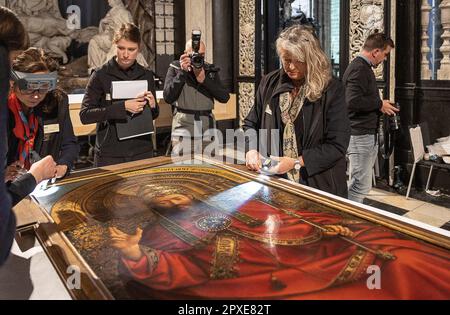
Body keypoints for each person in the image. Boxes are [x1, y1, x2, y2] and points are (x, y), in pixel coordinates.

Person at [109, 190, 450, 299]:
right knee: (397, 273)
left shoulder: (231, 202)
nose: (169, 196)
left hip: (321, 252)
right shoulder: (165, 234)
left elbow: (292, 219)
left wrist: (328, 230)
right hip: (273, 281)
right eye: (159, 198)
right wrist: (136, 253)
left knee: (406, 259)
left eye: (171, 190)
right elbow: (180, 269)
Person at [243, 25, 350, 198]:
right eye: (286, 59)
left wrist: (296, 162)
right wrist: (251, 149)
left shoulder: (332, 89)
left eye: (296, 60)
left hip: (319, 184)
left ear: (311, 58)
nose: (290, 66)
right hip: (276, 180)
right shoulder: (269, 83)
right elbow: (250, 123)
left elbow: (337, 146)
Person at [0, 6, 55, 265]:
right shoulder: (7, 112)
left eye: (42, 89)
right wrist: (35, 175)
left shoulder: (46, 106)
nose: (35, 96)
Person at [81, 23, 159, 167]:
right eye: (121, 48)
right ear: (114, 45)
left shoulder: (146, 75)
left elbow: (153, 115)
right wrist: (122, 107)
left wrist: (153, 106)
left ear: (139, 49)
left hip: (142, 151)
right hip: (110, 153)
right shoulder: (100, 75)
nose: (125, 54)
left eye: (131, 49)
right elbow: (85, 115)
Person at [6, 48, 79, 187]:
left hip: (43, 184)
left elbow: (69, 143)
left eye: (43, 88)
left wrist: (63, 166)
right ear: (12, 83)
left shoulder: (58, 101)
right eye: (28, 88)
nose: (36, 95)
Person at [343, 32, 398, 203]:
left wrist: (380, 103)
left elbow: (360, 98)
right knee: (359, 185)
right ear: (376, 52)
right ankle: (346, 220)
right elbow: (351, 101)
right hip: (359, 135)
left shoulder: (361, 67)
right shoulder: (359, 68)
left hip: (363, 134)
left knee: (361, 184)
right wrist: (379, 104)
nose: (385, 59)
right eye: (385, 54)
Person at [163, 35, 230, 154]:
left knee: (208, 170)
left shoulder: (210, 71)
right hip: (183, 131)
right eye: (194, 55)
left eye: (202, 55)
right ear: (185, 53)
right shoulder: (175, 68)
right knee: (184, 170)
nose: (198, 58)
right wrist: (182, 73)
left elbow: (224, 97)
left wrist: (205, 80)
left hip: (207, 131)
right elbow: (168, 97)